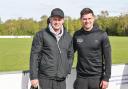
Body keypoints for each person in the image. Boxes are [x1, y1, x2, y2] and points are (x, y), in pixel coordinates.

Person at [30, 8, 74, 89]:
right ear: (50, 19)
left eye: (59, 20)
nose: (57, 22)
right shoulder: (41, 35)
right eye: (55, 19)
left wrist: (66, 69)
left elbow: (70, 55)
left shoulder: (68, 37)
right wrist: (33, 77)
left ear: (63, 21)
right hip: (45, 78)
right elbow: (34, 56)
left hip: (61, 79)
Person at [73, 8, 111, 89]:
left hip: (97, 78)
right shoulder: (77, 35)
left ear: (93, 18)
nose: (87, 21)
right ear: (81, 20)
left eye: (89, 18)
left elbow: (108, 58)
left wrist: (106, 78)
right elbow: (69, 52)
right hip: (81, 77)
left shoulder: (102, 34)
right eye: (84, 19)